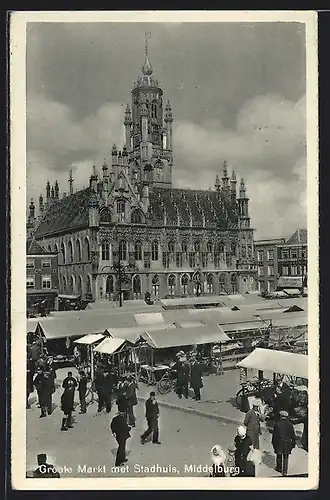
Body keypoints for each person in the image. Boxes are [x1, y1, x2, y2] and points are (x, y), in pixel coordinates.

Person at [272, 410, 296, 476]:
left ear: (280, 416)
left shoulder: (277, 424)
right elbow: (293, 435)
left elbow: (274, 435)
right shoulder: (290, 424)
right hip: (287, 443)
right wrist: (293, 443)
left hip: (279, 442)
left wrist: (273, 443)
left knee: (279, 456)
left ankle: (279, 468)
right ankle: (285, 471)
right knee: (286, 457)